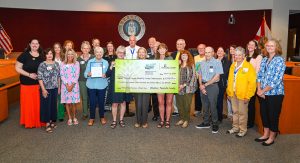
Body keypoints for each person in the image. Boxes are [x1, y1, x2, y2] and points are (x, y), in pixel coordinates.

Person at [255, 39, 285, 146]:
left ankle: (272, 137)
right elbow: (259, 75)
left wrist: (263, 90)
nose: (269, 47)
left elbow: (276, 80)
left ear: (276, 47)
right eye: (268, 46)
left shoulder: (280, 60)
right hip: (262, 93)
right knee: (264, 114)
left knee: (273, 115)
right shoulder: (264, 59)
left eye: (272, 46)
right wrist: (259, 89)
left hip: (275, 94)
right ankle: (265, 134)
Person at [226, 47, 256, 137]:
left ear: (244, 56)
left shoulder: (248, 66)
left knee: (242, 113)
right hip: (233, 93)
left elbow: (252, 83)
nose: (237, 56)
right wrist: (228, 92)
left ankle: (243, 130)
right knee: (235, 111)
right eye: (236, 55)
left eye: (240, 55)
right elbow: (230, 79)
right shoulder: (233, 65)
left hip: (243, 95)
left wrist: (248, 96)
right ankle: (235, 128)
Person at [15, 39, 43, 128]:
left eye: (37, 43)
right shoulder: (24, 55)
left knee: (38, 104)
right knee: (28, 105)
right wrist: (29, 75)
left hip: (38, 84)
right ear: (30, 45)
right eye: (33, 43)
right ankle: (29, 122)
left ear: (39, 45)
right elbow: (17, 68)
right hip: (26, 84)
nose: (35, 45)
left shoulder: (42, 56)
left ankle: (38, 121)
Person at [195, 46, 223, 134]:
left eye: (209, 52)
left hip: (212, 86)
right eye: (206, 52)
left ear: (213, 52)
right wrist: (200, 85)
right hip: (202, 85)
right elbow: (199, 75)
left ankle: (215, 123)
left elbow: (217, 77)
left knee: (213, 106)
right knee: (205, 105)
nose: (207, 54)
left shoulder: (217, 62)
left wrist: (205, 85)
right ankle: (206, 122)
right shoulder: (201, 62)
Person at [84, 47, 109, 126]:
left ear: (103, 53)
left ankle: (102, 117)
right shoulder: (90, 62)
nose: (99, 54)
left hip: (102, 85)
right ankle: (92, 118)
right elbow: (85, 74)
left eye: (100, 52)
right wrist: (88, 74)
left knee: (101, 102)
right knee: (92, 102)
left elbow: (108, 74)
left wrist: (105, 75)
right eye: (97, 52)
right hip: (91, 85)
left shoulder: (105, 62)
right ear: (94, 53)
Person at [37, 48, 60, 133]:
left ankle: (52, 121)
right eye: (48, 54)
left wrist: (59, 88)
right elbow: (39, 78)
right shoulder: (42, 65)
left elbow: (58, 77)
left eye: (51, 53)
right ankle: (47, 123)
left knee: (53, 105)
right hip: (45, 89)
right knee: (46, 106)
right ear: (45, 55)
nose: (49, 55)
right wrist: (43, 89)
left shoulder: (56, 64)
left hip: (54, 88)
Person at [106, 46, 127, 129]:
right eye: (119, 52)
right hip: (114, 85)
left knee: (123, 103)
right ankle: (114, 120)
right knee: (114, 103)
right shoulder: (112, 62)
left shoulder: (127, 63)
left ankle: (121, 119)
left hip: (124, 85)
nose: (121, 54)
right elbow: (107, 74)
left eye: (123, 52)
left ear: (124, 54)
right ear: (117, 53)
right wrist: (111, 67)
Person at [175, 50, 197, 128]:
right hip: (178, 88)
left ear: (188, 57)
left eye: (185, 55)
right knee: (179, 105)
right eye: (182, 55)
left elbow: (193, 77)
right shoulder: (178, 65)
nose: (184, 57)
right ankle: (182, 118)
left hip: (188, 88)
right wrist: (177, 86)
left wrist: (183, 85)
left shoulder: (191, 65)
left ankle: (186, 120)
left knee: (186, 105)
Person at [60, 49, 80, 126]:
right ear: (66, 55)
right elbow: (62, 75)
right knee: (68, 103)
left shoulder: (76, 63)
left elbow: (77, 75)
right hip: (65, 86)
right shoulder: (62, 64)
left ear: (74, 55)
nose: (70, 56)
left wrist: (72, 85)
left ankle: (74, 117)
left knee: (74, 103)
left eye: (72, 54)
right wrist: (67, 85)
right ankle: (69, 118)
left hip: (74, 85)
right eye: (69, 54)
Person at [246, 40, 263, 128]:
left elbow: (258, 71)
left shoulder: (258, 57)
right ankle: (246, 120)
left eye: (253, 45)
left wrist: (250, 80)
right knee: (246, 102)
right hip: (245, 83)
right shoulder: (245, 56)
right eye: (249, 44)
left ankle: (250, 122)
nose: (251, 46)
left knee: (251, 103)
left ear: (256, 47)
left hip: (253, 83)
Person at [156, 43, 173, 128]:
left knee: (169, 102)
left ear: (166, 50)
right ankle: (162, 120)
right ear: (158, 50)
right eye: (160, 48)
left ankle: (167, 121)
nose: (162, 50)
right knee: (160, 102)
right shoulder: (155, 60)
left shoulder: (170, 58)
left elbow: (173, 71)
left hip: (169, 83)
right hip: (159, 84)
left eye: (164, 48)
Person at [133, 47, 151, 128]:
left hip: (147, 86)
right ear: (138, 54)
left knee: (145, 104)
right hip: (137, 86)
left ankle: (144, 121)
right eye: (139, 52)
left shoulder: (150, 63)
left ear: (145, 53)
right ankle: (138, 121)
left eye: (143, 52)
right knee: (138, 104)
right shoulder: (134, 63)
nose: (141, 54)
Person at [77, 41, 93, 120]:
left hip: (92, 80)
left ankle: (92, 112)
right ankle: (85, 113)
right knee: (84, 97)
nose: (85, 50)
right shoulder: (78, 59)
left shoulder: (93, 57)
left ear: (89, 49)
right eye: (84, 48)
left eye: (87, 48)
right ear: (81, 49)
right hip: (82, 80)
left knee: (92, 97)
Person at [124, 35, 140, 117]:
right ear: (128, 41)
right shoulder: (125, 49)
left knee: (137, 93)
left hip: (137, 75)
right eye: (130, 40)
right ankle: (127, 110)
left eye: (133, 40)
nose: (132, 41)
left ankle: (139, 110)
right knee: (127, 92)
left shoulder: (139, 49)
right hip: (127, 74)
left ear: (136, 41)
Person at [171, 39, 187, 116]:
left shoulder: (187, 54)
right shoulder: (173, 54)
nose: (179, 46)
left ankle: (184, 111)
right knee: (175, 94)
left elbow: (190, 65)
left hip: (183, 78)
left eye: (181, 44)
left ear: (184, 45)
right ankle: (176, 110)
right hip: (174, 77)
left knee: (183, 95)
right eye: (177, 44)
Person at [216, 47, 231, 123]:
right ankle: (214, 116)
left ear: (224, 53)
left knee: (219, 100)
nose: (219, 52)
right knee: (213, 100)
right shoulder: (214, 60)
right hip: (213, 83)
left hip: (221, 84)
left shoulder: (227, 62)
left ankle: (219, 118)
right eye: (218, 50)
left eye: (221, 51)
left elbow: (223, 72)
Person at [147, 37, 160, 121]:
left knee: (162, 99)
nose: (155, 48)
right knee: (154, 99)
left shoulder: (164, 58)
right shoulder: (150, 57)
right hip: (152, 81)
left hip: (162, 81)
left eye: (157, 47)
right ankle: (156, 114)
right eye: (154, 47)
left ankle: (163, 114)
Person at [53, 42, 65, 122]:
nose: (57, 49)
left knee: (61, 97)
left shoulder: (63, 57)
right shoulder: (51, 56)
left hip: (63, 79)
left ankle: (61, 115)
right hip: (53, 79)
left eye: (58, 47)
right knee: (54, 98)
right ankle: (53, 114)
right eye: (55, 48)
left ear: (61, 48)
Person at [193, 43, 206, 117]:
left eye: (202, 48)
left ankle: (205, 110)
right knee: (197, 94)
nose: (201, 50)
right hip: (197, 78)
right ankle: (198, 109)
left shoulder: (207, 57)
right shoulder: (195, 57)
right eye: (199, 48)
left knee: (205, 95)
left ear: (205, 49)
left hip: (205, 79)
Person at [226, 44, 237, 120]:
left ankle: (235, 113)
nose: (232, 51)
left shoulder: (239, 59)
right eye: (230, 49)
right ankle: (230, 113)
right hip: (229, 80)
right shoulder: (228, 59)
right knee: (229, 96)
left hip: (236, 81)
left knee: (235, 97)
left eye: (233, 49)